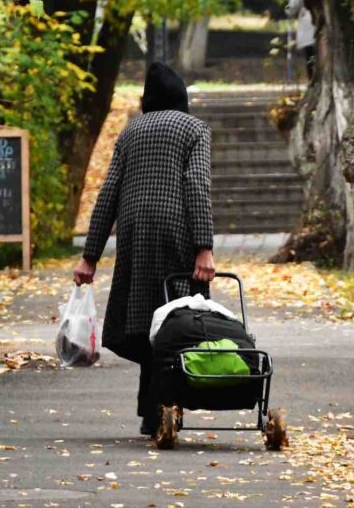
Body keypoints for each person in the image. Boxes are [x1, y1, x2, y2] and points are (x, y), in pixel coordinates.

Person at [74, 62, 216, 436]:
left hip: (135, 233)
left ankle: (151, 409)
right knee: (178, 318)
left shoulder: (130, 132)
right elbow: (196, 185)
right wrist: (204, 247)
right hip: (176, 232)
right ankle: (163, 408)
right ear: (181, 98)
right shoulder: (194, 129)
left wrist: (90, 256)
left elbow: (108, 194)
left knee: (146, 318)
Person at [285, 0, 316, 79]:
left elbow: (291, 9)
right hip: (309, 30)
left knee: (311, 56)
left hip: (311, 29)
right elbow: (291, 9)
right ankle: (312, 80)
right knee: (310, 57)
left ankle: (312, 79)